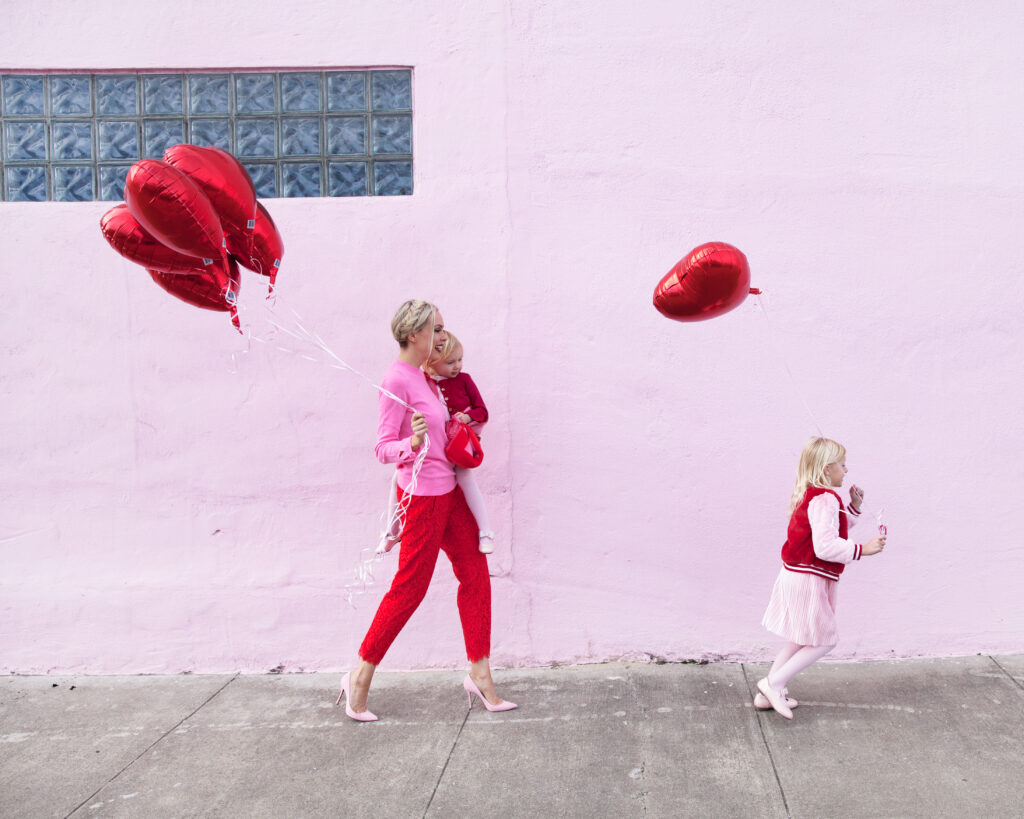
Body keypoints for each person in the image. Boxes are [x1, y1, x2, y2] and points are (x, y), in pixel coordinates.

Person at [337, 299, 516, 721]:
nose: (441, 336)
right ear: (415, 334)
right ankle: (358, 676)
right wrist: (410, 445)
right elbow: (383, 448)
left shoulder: (425, 376)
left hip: (449, 492)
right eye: (436, 329)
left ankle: (480, 673)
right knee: (409, 589)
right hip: (420, 498)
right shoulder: (396, 379)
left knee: (474, 574)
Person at [756, 436, 886, 719]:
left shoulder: (815, 494)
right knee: (825, 640)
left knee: (803, 637)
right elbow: (825, 546)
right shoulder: (825, 498)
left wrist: (853, 506)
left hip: (798, 575)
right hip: (808, 579)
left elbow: (832, 528)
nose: (846, 470)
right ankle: (773, 684)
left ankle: (766, 693)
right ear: (827, 469)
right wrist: (862, 549)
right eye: (842, 464)